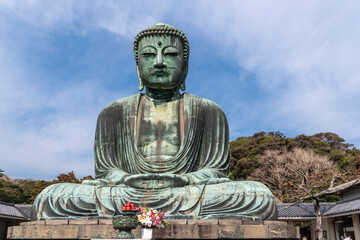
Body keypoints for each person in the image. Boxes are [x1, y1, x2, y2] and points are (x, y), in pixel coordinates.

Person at [31, 23, 277, 221]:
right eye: (149, 55)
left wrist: (185, 179)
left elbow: (216, 171)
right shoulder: (113, 112)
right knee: (51, 197)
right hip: (127, 192)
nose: (159, 62)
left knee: (258, 196)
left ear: (185, 65)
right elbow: (106, 171)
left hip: (187, 192)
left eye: (170, 54)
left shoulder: (208, 111)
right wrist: (125, 179)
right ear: (138, 66)